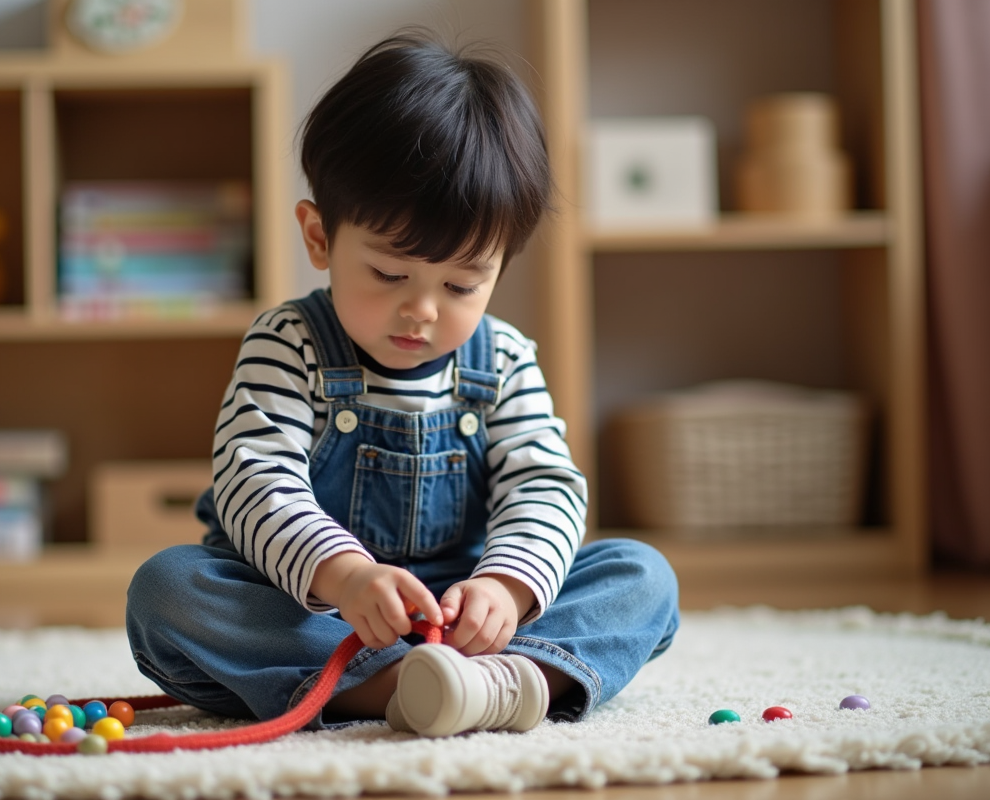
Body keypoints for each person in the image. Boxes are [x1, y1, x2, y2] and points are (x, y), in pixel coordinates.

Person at [126, 30, 679, 738]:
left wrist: (504, 588)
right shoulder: (289, 343)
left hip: (467, 619)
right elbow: (253, 480)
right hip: (316, 613)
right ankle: (392, 690)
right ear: (320, 237)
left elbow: (544, 485)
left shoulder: (504, 359)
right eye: (390, 275)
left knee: (641, 576)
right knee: (168, 590)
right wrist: (347, 577)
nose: (422, 310)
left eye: (460, 283)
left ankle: (507, 678)